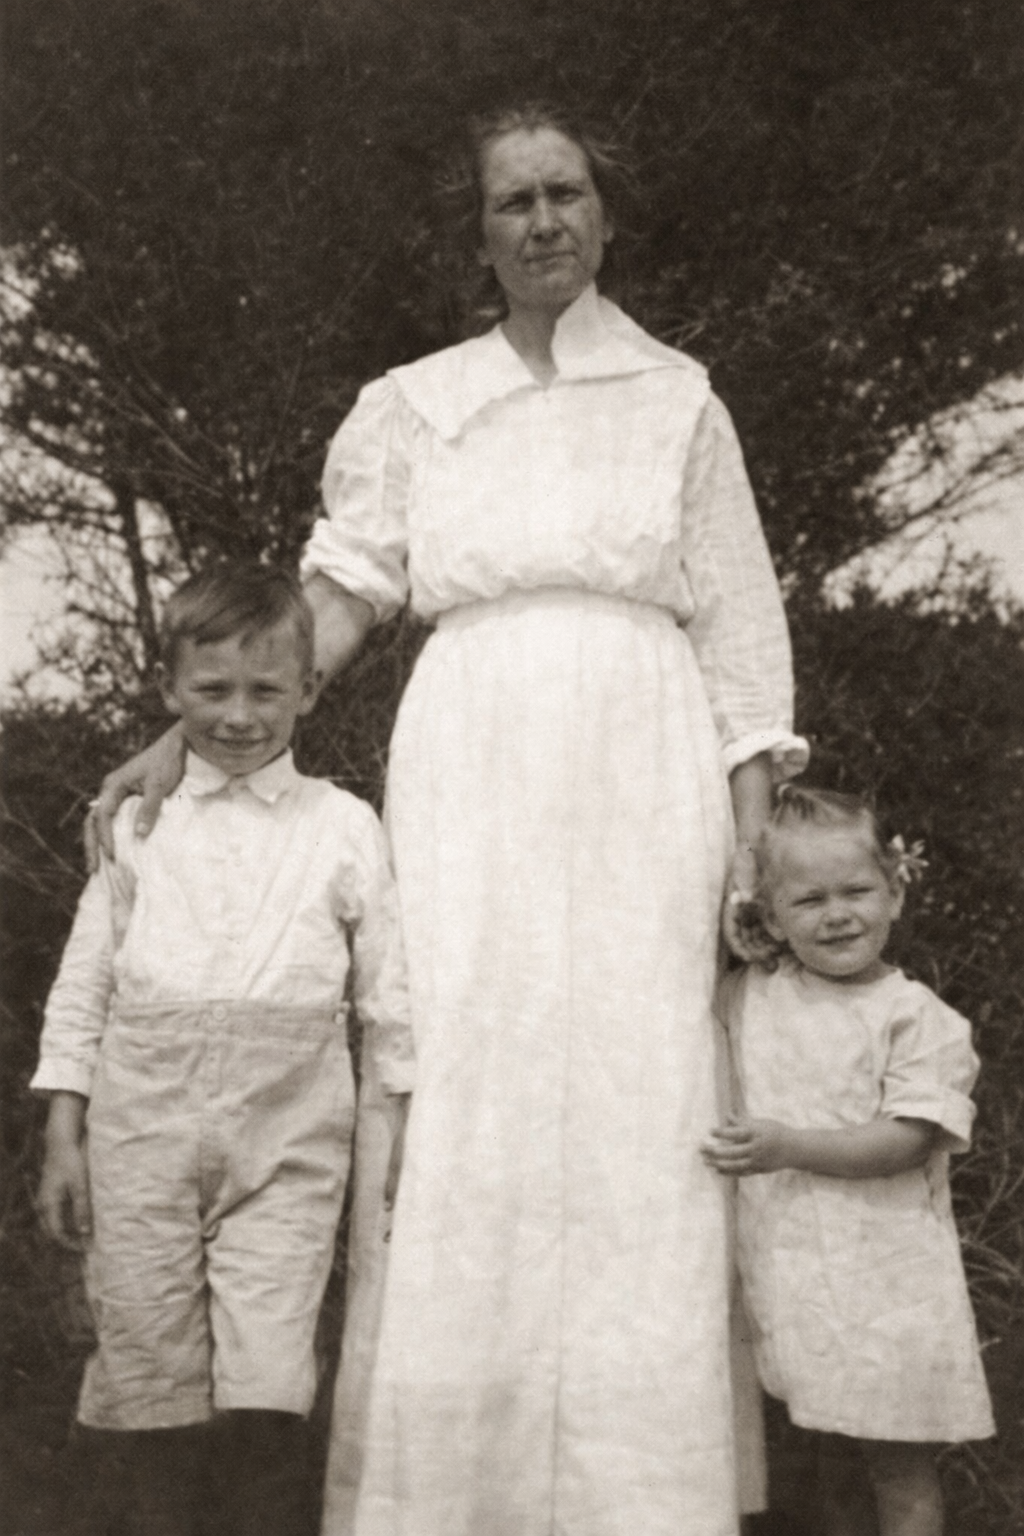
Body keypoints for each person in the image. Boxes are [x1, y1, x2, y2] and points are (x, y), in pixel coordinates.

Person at [90, 103, 808, 1536]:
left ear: (606, 213)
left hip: (642, 759)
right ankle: (451, 1492)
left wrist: (752, 836)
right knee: (461, 1075)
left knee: (640, 1090)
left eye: (565, 193)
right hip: (473, 761)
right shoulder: (414, 402)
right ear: (477, 234)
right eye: (512, 201)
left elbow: (740, 634)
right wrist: (187, 735)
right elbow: (335, 599)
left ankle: (635, 1494)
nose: (543, 221)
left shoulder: (680, 398)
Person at [34, 563, 414, 1536]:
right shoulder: (135, 822)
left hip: (287, 1134)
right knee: (148, 1369)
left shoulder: (343, 825)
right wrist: (65, 1131)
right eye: (212, 690)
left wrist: (404, 1108)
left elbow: (388, 989)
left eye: (265, 690)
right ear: (169, 690)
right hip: (141, 1130)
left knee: (269, 1378)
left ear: (308, 689)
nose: (239, 716)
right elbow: (85, 983)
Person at [703, 786, 994, 1536]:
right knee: (827, 1458)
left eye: (856, 891)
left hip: (889, 1290)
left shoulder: (916, 1016)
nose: (837, 914)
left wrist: (788, 1147)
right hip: (802, 1285)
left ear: (895, 894)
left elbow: (909, 1138)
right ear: (770, 919)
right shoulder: (754, 996)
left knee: (898, 1467)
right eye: (809, 900)